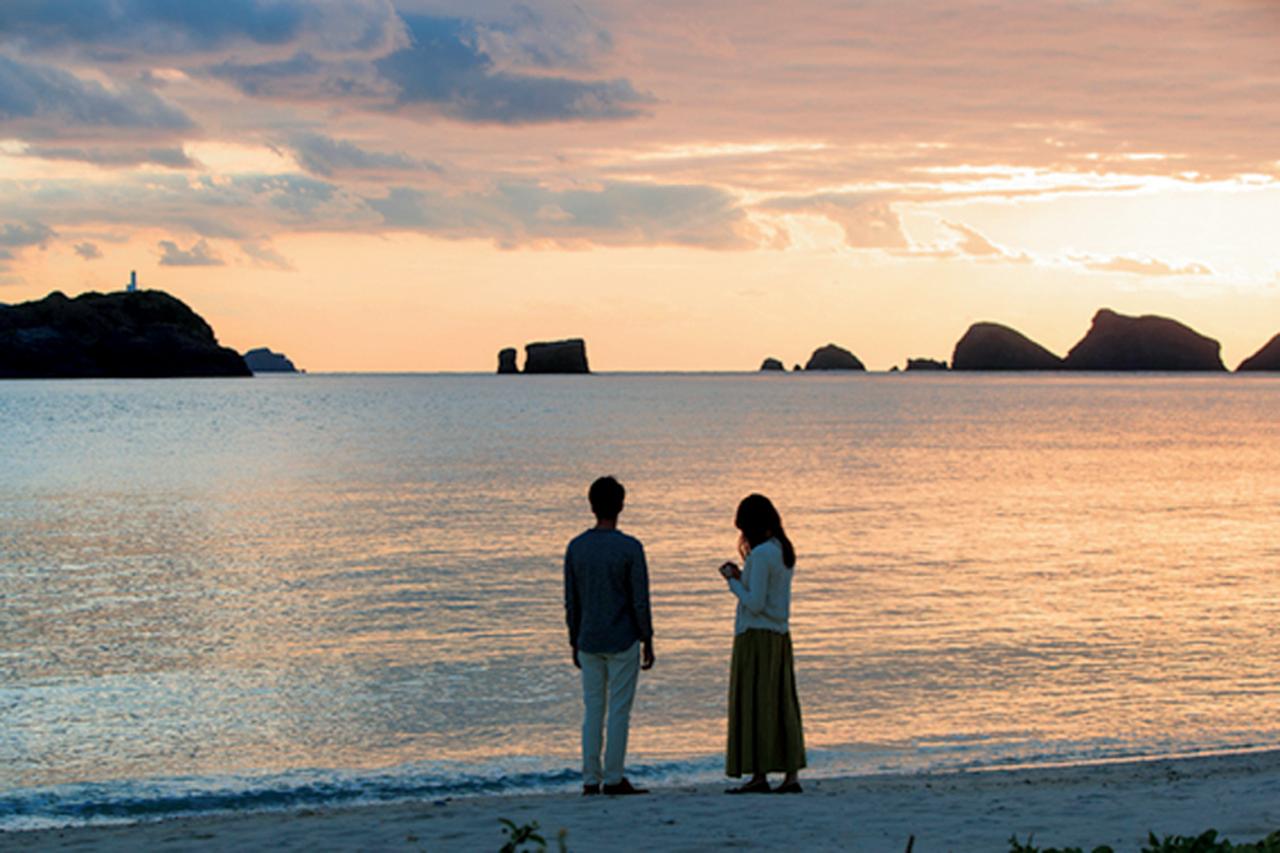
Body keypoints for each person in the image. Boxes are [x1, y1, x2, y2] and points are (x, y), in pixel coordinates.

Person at [564, 476, 656, 796]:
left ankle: (591, 778)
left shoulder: (576, 547)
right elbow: (639, 599)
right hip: (623, 638)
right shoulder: (630, 548)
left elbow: (571, 599)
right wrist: (648, 638)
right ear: (621, 506)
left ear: (591, 506)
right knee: (618, 711)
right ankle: (614, 777)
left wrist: (573, 638)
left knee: (592, 711)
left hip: (589, 637)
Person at [718, 493, 806, 794]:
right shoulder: (781, 551)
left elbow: (754, 603)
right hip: (779, 636)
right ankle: (790, 773)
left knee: (755, 704)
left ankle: (759, 773)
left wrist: (732, 580)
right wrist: (744, 577)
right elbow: (766, 594)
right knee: (781, 703)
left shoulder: (760, 555)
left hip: (756, 637)